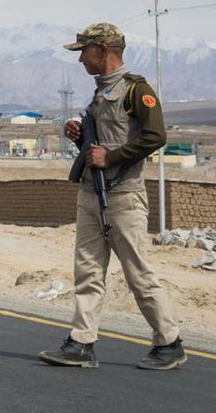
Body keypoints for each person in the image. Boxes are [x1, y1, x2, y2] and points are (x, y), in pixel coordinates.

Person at [39, 23, 185, 371]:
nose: (80, 61)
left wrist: (112, 156)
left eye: (84, 52)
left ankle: (169, 342)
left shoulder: (137, 90)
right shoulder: (99, 93)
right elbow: (100, 145)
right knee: (87, 272)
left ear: (103, 50)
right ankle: (81, 343)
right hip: (91, 193)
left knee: (138, 274)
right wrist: (80, 138)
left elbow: (155, 137)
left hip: (123, 197)